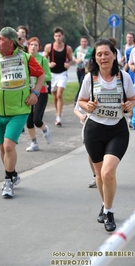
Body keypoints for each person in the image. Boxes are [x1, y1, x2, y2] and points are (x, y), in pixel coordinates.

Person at [0, 27, 45, 198]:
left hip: (19, 110)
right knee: (2, 148)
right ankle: (13, 173)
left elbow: (41, 75)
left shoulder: (25, 58)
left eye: (0, 39)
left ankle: (8, 181)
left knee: (9, 146)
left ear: (11, 41)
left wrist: (35, 93)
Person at [77, 38, 135, 232]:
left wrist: (129, 105)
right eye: (99, 54)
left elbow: (133, 98)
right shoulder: (90, 78)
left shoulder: (123, 77)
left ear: (114, 55)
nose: (103, 57)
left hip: (117, 130)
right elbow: (81, 101)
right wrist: (89, 106)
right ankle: (104, 205)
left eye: (106, 53)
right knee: (100, 176)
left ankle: (108, 211)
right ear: (95, 57)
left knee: (108, 172)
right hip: (94, 130)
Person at [25, 37, 52, 152]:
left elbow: (48, 76)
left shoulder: (42, 60)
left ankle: (45, 129)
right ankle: (34, 143)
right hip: (28, 91)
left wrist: (37, 76)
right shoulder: (24, 58)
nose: (33, 47)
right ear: (28, 46)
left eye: (36, 45)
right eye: (31, 45)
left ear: (39, 47)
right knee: (29, 121)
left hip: (41, 91)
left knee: (37, 119)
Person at [43, 26, 73, 127]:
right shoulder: (49, 47)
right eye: (56, 36)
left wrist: (68, 64)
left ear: (63, 36)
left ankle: (59, 117)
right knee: (55, 96)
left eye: (59, 36)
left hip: (62, 73)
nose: (58, 38)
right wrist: (48, 64)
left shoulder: (68, 48)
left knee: (59, 94)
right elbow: (44, 60)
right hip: (52, 74)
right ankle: (58, 112)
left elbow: (71, 59)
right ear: (53, 36)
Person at [73, 101, 97, 188]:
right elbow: (76, 110)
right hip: (90, 127)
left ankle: (106, 174)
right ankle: (95, 176)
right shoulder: (87, 91)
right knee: (91, 152)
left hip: (107, 127)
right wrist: (81, 116)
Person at [73, 36, 93, 103]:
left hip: (87, 70)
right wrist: (76, 60)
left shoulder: (90, 50)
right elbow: (74, 57)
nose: (83, 43)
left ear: (87, 42)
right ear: (80, 42)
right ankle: (85, 97)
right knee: (81, 84)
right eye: (82, 41)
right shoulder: (77, 49)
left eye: (85, 41)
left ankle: (77, 99)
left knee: (82, 83)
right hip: (79, 69)